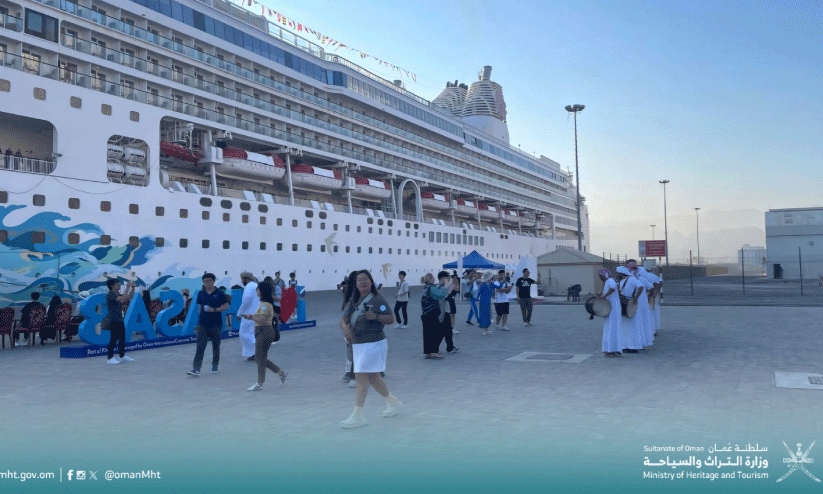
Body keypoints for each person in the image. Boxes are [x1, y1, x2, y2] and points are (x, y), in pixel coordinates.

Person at [339, 270, 399, 428]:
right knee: (374, 377)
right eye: (359, 280)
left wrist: (377, 317)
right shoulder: (354, 301)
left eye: (365, 279)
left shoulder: (378, 300)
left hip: (373, 344)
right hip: (358, 345)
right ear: (356, 284)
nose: (362, 282)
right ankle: (391, 401)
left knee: (361, 378)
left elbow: (391, 319)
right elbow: (343, 320)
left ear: (371, 282)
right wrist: (345, 328)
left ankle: (358, 415)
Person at [242, 281, 287, 391]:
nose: (256, 291)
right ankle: (280, 373)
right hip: (261, 331)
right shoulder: (263, 304)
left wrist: (250, 317)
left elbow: (262, 319)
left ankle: (260, 383)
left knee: (260, 358)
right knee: (260, 358)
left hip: (264, 331)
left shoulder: (266, 305)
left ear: (261, 291)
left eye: (257, 289)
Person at [187, 273, 229, 376]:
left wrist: (214, 310)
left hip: (216, 323)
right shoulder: (201, 293)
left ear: (213, 281)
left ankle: (215, 366)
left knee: (216, 345)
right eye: (205, 281)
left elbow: (226, 306)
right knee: (200, 346)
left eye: (209, 281)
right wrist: (199, 321)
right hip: (203, 324)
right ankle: (196, 369)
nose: (207, 283)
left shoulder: (219, 293)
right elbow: (200, 307)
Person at [419, 272, 451, 358]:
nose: (434, 279)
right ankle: (434, 351)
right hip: (432, 313)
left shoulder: (426, 288)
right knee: (434, 332)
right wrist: (446, 286)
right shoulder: (431, 288)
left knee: (427, 334)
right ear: (430, 279)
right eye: (433, 278)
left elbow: (436, 292)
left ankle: (427, 352)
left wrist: (441, 284)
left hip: (425, 313)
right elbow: (441, 295)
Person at [105, 279, 136, 364]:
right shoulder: (110, 295)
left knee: (122, 338)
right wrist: (127, 287)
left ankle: (122, 356)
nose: (119, 285)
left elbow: (129, 297)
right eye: (117, 284)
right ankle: (110, 358)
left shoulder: (116, 293)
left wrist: (133, 288)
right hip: (114, 320)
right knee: (114, 339)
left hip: (120, 319)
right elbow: (123, 298)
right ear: (112, 286)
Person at [615, 267, 644, 353]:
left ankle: (633, 346)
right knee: (625, 327)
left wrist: (635, 297)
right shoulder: (622, 281)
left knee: (632, 326)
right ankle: (626, 346)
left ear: (621, 273)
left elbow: (641, 287)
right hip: (624, 303)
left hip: (629, 304)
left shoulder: (631, 279)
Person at [596, 269, 622, 357]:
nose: (600, 278)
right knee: (610, 329)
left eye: (600, 276)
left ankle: (612, 349)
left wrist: (604, 296)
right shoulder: (608, 281)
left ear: (603, 275)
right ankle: (610, 349)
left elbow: (613, 288)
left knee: (612, 329)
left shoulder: (610, 280)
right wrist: (602, 296)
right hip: (610, 308)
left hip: (613, 309)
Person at [340, 270, 359, 386]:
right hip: (354, 325)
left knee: (350, 350)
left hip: (350, 325)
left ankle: (349, 372)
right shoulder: (356, 293)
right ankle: (351, 373)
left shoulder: (349, 291)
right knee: (354, 350)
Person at [237, 271, 259, 361]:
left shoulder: (249, 286)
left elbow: (246, 300)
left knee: (245, 334)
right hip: (256, 314)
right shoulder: (256, 285)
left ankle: (253, 354)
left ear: (246, 279)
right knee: (252, 335)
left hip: (248, 315)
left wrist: (239, 313)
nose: (241, 281)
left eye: (242, 279)